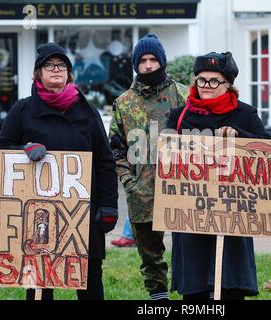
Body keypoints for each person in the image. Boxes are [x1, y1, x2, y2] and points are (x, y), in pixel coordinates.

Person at [0, 42, 118, 300]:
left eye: (61, 65)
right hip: (39, 215)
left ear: (69, 73)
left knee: (90, 278)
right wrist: (23, 148)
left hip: (81, 213)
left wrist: (109, 206)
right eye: (49, 65)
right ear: (38, 73)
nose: (56, 69)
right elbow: (1, 151)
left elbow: (105, 161)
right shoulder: (23, 110)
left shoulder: (87, 111)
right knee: (39, 281)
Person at [165, 51, 271, 300]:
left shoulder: (245, 113)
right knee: (195, 291)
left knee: (230, 287)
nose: (206, 86)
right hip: (191, 216)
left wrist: (239, 135)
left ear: (228, 85)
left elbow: (268, 149)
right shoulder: (179, 115)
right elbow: (164, 157)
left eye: (214, 81)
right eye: (201, 80)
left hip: (231, 215)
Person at [109, 33, 189, 300]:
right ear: (135, 64)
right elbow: (116, 147)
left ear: (162, 61)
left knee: (187, 249)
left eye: (153, 59)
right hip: (141, 192)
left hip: (182, 190)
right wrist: (128, 182)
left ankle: (193, 295)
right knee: (150, 254)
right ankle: (158, 298)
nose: (148, 65)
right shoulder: (123, 103)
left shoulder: (183, 95)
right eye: (142, 60)